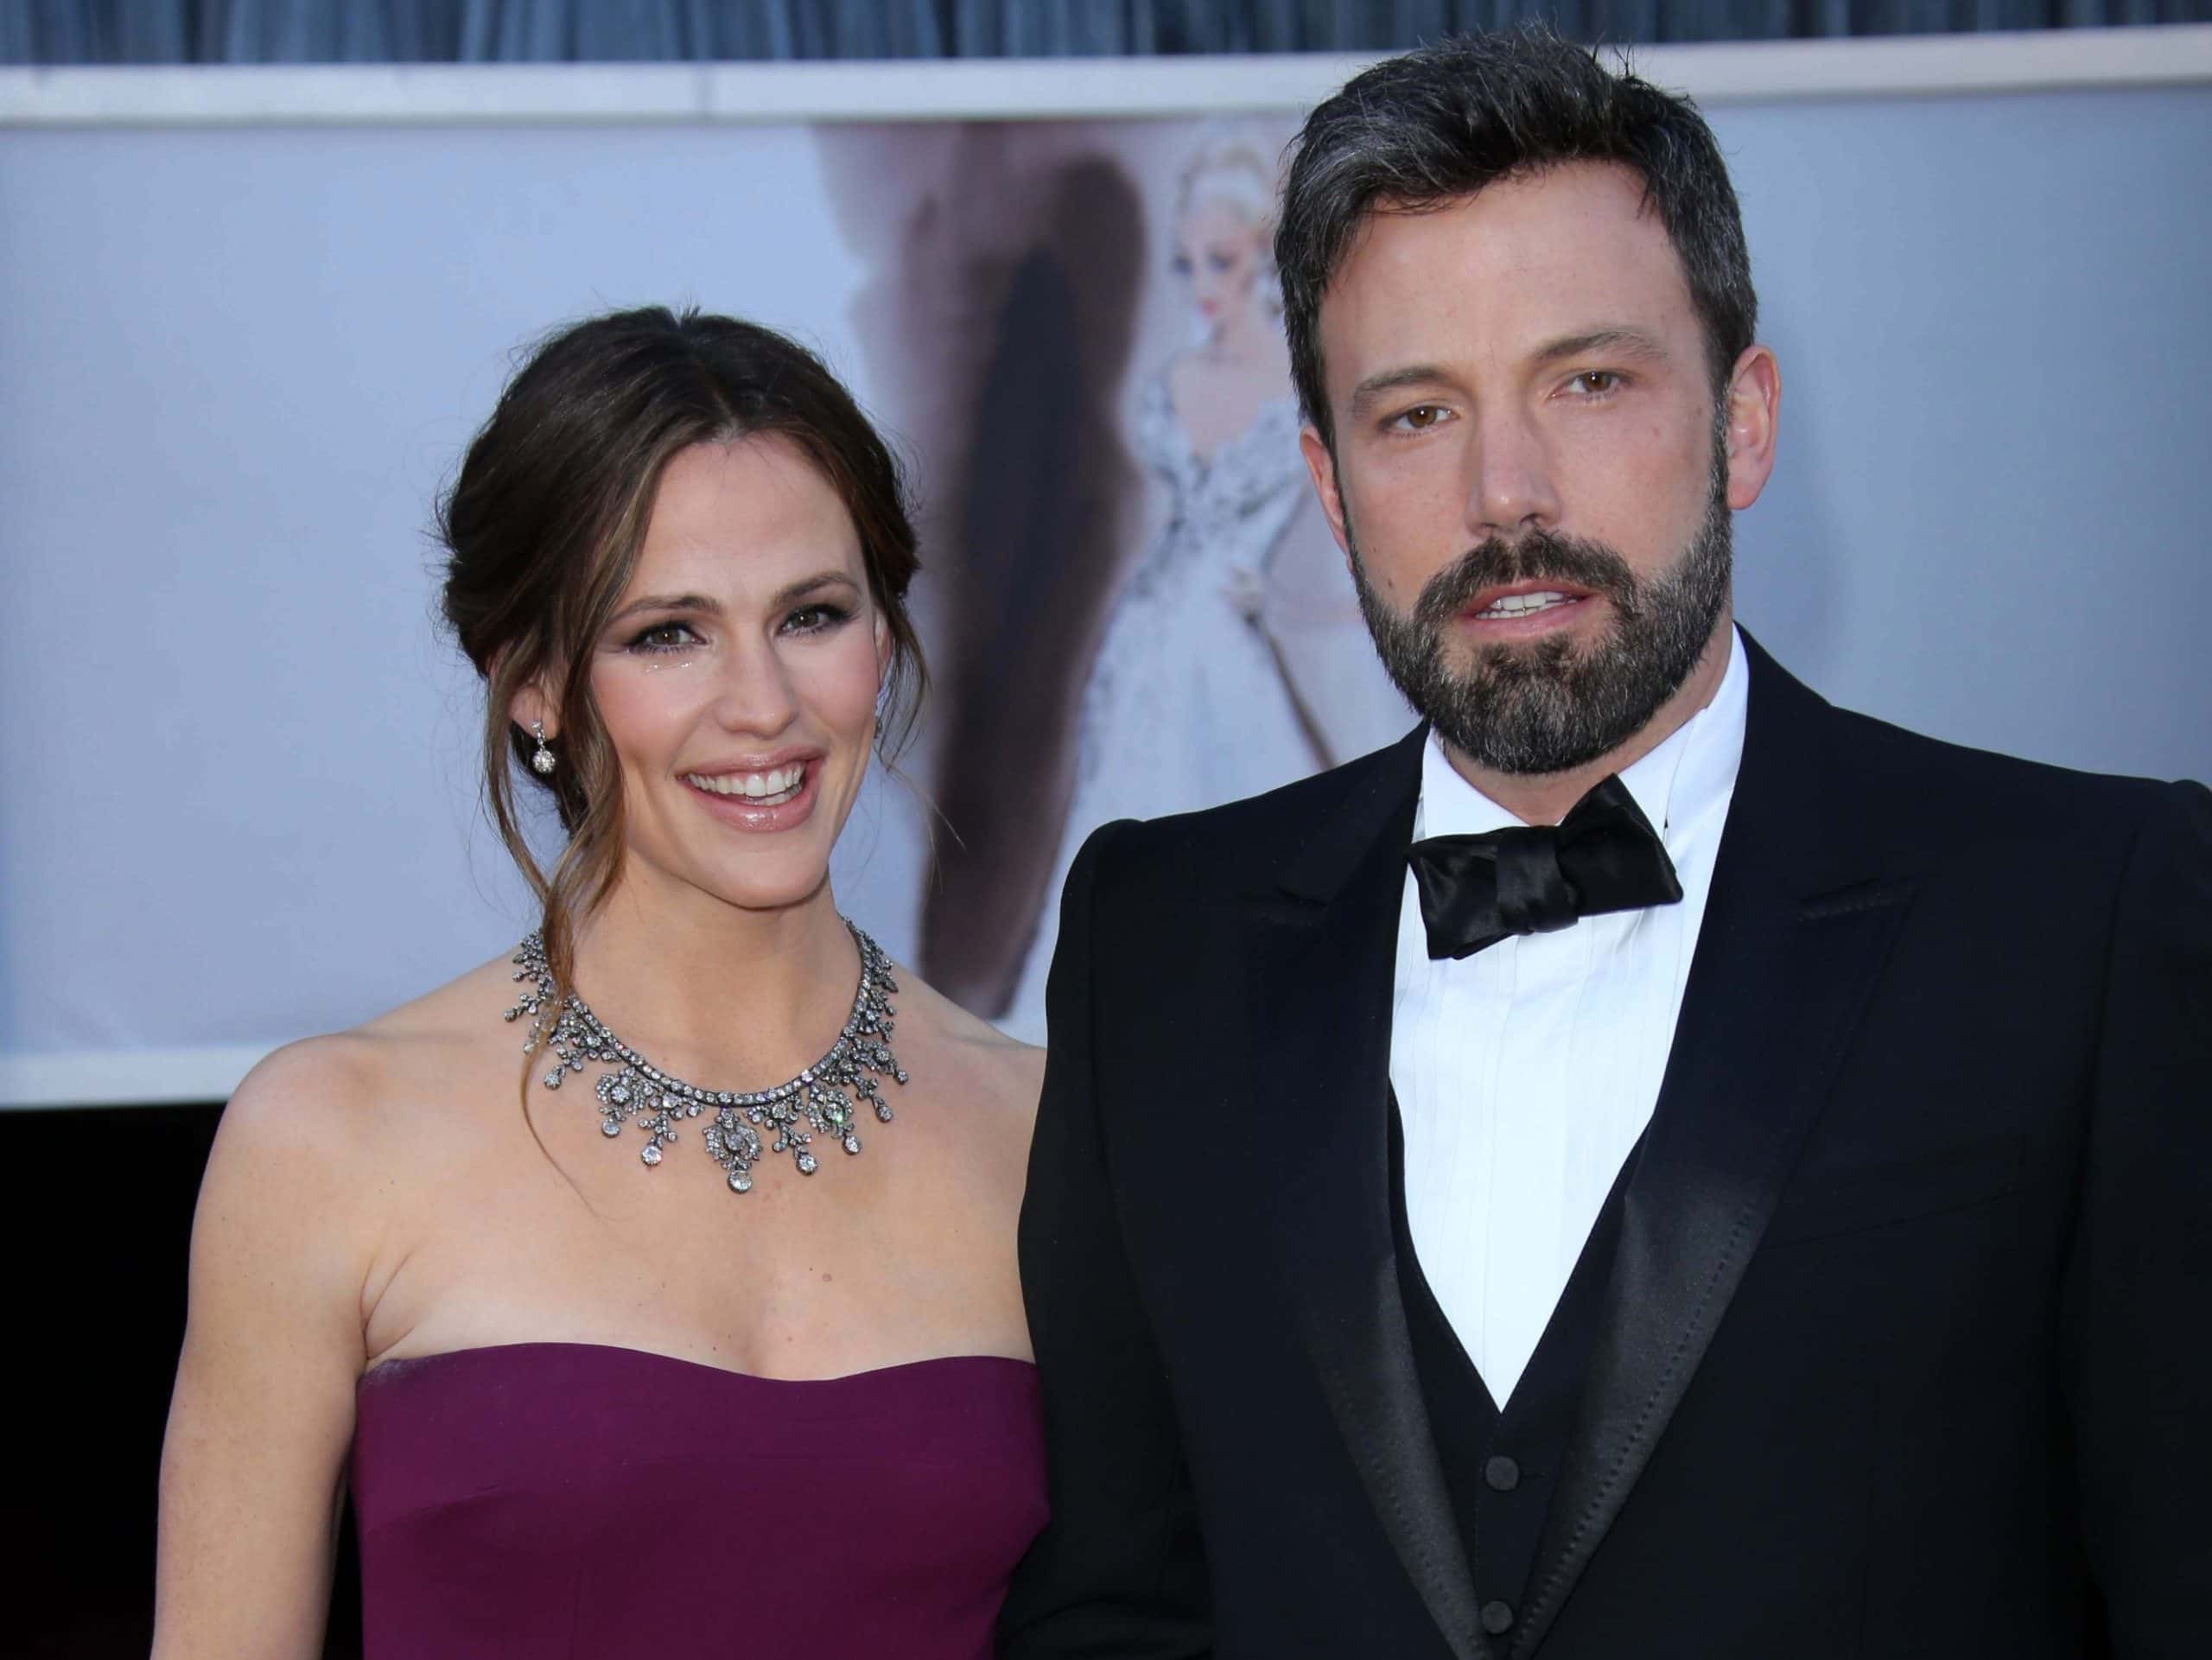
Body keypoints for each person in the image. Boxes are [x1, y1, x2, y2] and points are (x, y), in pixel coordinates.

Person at [1001, 29, 2210, 1660]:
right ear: (1328, 488)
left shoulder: (2084, 914)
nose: (1507, 493)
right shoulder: (1158, 939)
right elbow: (1115, 1606)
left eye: (1588, 382)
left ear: (1743, 421)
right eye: (1416, 413)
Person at [154, 308, 1046, 1658]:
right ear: (534, 684)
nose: (764, 704)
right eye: (668, 633)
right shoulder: (329, 1142)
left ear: (883, 634)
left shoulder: (1043, 1133)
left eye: (811, 615)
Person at [1001, 140, 1333, 1040]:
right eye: (1190, 265)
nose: (1204, 286)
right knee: (1125, 817)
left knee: (1250, 827)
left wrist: (1284, 602)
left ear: (1263, 255)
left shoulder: (1306, 383)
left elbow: (1333, 546)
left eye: (1221, 261)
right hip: (1149, 627)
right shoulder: (1175, 381)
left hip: (1232, 633)